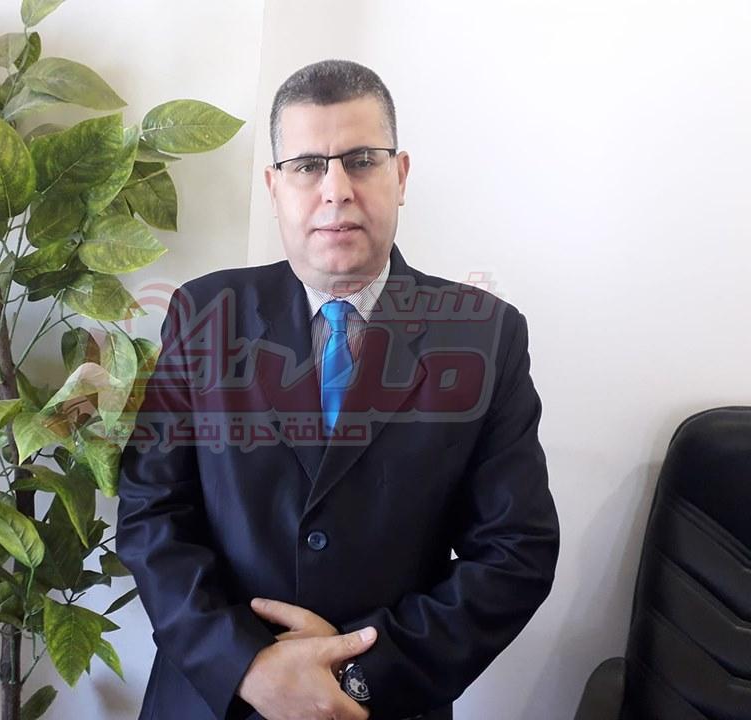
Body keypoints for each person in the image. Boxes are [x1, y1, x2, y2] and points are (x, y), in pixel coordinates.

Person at [115, 59, 559, 720]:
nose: (336, 190)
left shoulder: (485, 336)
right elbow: (151, 512)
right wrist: (247, 665)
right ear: (275, 186)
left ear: (400, 175)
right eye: (306, 166)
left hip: (383, 703)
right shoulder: (205, 313)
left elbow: (515, 551)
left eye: (362, 160)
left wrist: (355, 676)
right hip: (215, 696)